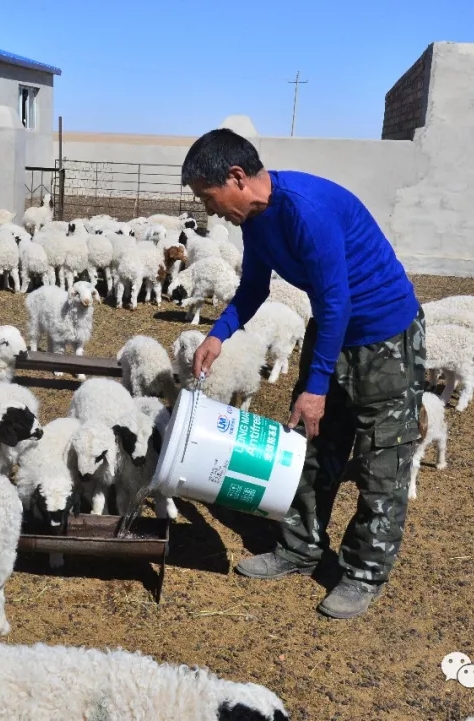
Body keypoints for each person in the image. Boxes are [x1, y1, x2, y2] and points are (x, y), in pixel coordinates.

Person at [182, 128, 426, 619]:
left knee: (383, 463)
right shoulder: (257, 221)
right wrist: (218, 333)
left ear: (237, 178)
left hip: (385, 339)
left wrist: (316, 386)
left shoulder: (306, 212)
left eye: (209, 198)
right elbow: (253, 287)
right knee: (312, 449)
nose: (209, 211)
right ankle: (299, 547)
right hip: (334, 332)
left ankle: (362, 573)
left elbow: (337, 301)